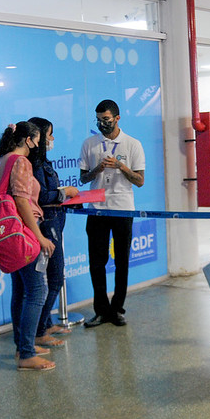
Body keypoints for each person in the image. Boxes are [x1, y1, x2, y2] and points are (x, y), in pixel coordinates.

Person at [0, 122, 56, 371]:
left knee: (20, 291)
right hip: (24, 233)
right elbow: (23, 201)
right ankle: (26, 352)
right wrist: (40, 237)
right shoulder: (21, 162)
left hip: (10, 235)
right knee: (37, 291)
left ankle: (22, 346)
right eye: (37, 140)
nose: (39, 145)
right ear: (28, 140)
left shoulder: (2, 161)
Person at [78, 100, 145, 327]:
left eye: (106, 120)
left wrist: (121, 167)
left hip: (123, 208)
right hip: (97, 209)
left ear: (117, 118)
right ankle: (100, 310)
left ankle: (117, 309)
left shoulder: (132, 144)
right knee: (97, 262)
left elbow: (140, 181)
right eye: (98, 120)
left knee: (122, 261)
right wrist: (99, 168)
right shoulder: (89, 144)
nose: (102, 124)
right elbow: (83, 178)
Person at [27, 117, 79, 346]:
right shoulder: (33, 166)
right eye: (49, 135)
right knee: (55, 277)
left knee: (52, 276)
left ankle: (46, 324)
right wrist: (64, 192)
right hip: (47, 223)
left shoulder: (42, 162)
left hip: (56, 219)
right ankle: (39, 330)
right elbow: (40, 196)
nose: (52, 139)